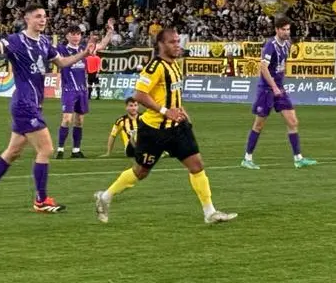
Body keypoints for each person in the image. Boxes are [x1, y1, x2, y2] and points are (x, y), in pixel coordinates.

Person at [92, 27, 235, 225]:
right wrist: (165, 112)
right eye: (172, 42)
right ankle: (105, 196)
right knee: (140, 172)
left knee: (196, 165)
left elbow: (171, 95)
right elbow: (139, 95)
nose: (177, 45)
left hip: (177, 128)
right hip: (153, 131)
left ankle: (209, 212)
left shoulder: (175, 65)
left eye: (178, 41)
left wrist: (182, 112)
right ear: (161, 44)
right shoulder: (154, 67)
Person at [0, 6, 93, 213]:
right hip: (25, 104)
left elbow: (62, 62)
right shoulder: (16, 41)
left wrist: (83, 54)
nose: (42, 20)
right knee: (46, 150)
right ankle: (41, 200)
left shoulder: (45, 42)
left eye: (44, 16)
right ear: (26, 19)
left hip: (32, 103)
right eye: (38, 16)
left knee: (13, 152)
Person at [241, 17, 315, 169]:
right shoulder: (270, 45)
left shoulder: (287, 44)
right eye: (284, 29)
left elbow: (281, 66)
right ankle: (247, 158)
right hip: (267, 90)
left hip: (279, 88)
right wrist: (274, 86)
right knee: (259, 125)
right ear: (277, 30)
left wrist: (280, 83)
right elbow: (263, 67)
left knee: (293, 122)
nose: (287, 32)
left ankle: (298, 158)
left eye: (288, 29)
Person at [56, 25, 90, 158]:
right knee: (67, 119)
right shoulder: (62, 49)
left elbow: (100, 46)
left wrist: (110, 32)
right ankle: (60, 149)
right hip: (69, 89)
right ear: (67, 36)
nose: (76, 36)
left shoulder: (84, 49)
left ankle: (76, 150)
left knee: (80, 120)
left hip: (82, 90)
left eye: (78, 34)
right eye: (73, 34)